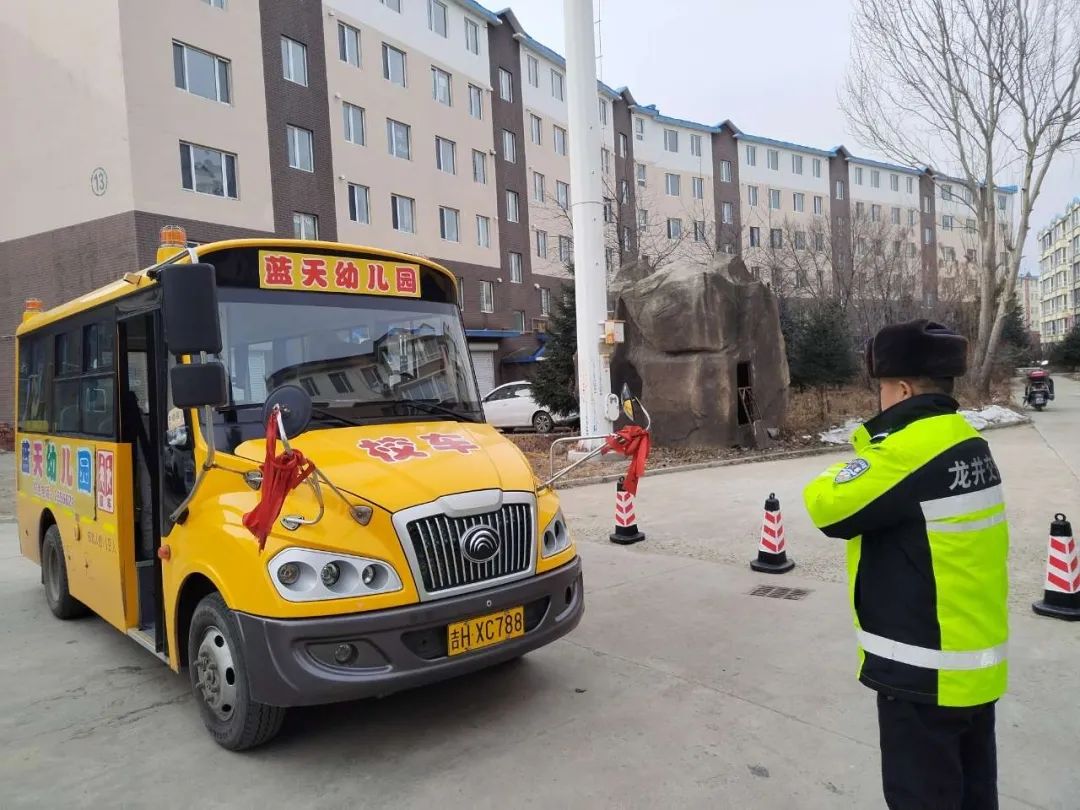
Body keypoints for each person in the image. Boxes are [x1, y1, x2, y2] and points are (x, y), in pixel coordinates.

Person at [803, 319, 1009, 810]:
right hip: (973, 663)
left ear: (901, 389)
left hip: (923, 671)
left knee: (922, 796)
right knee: (973, 792)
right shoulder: (967, 441)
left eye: (881, 388)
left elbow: (827, 507)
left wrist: (855, 458)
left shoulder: (908, 450)